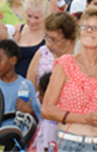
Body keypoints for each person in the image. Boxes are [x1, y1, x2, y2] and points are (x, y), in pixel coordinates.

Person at [41, 7, 97, 151]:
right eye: (85, 26)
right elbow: (47, 110)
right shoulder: (66, 64)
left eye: (95, 28)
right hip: (72, 144)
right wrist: (85, 119)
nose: (89, 30)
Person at [25, 12, 77, 149]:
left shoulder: (79, 61)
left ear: (69, 40)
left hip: (66, 123)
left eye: (54, 39)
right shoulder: (42, 53)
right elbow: (30, 85)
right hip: (38, 118)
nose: (48, 43)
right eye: (47, 37)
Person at [0, 0, 49, 77]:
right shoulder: (17, 29)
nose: (32, 21)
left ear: (46, 16)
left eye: (37, 18)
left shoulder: (49, 36)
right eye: (29, 16)